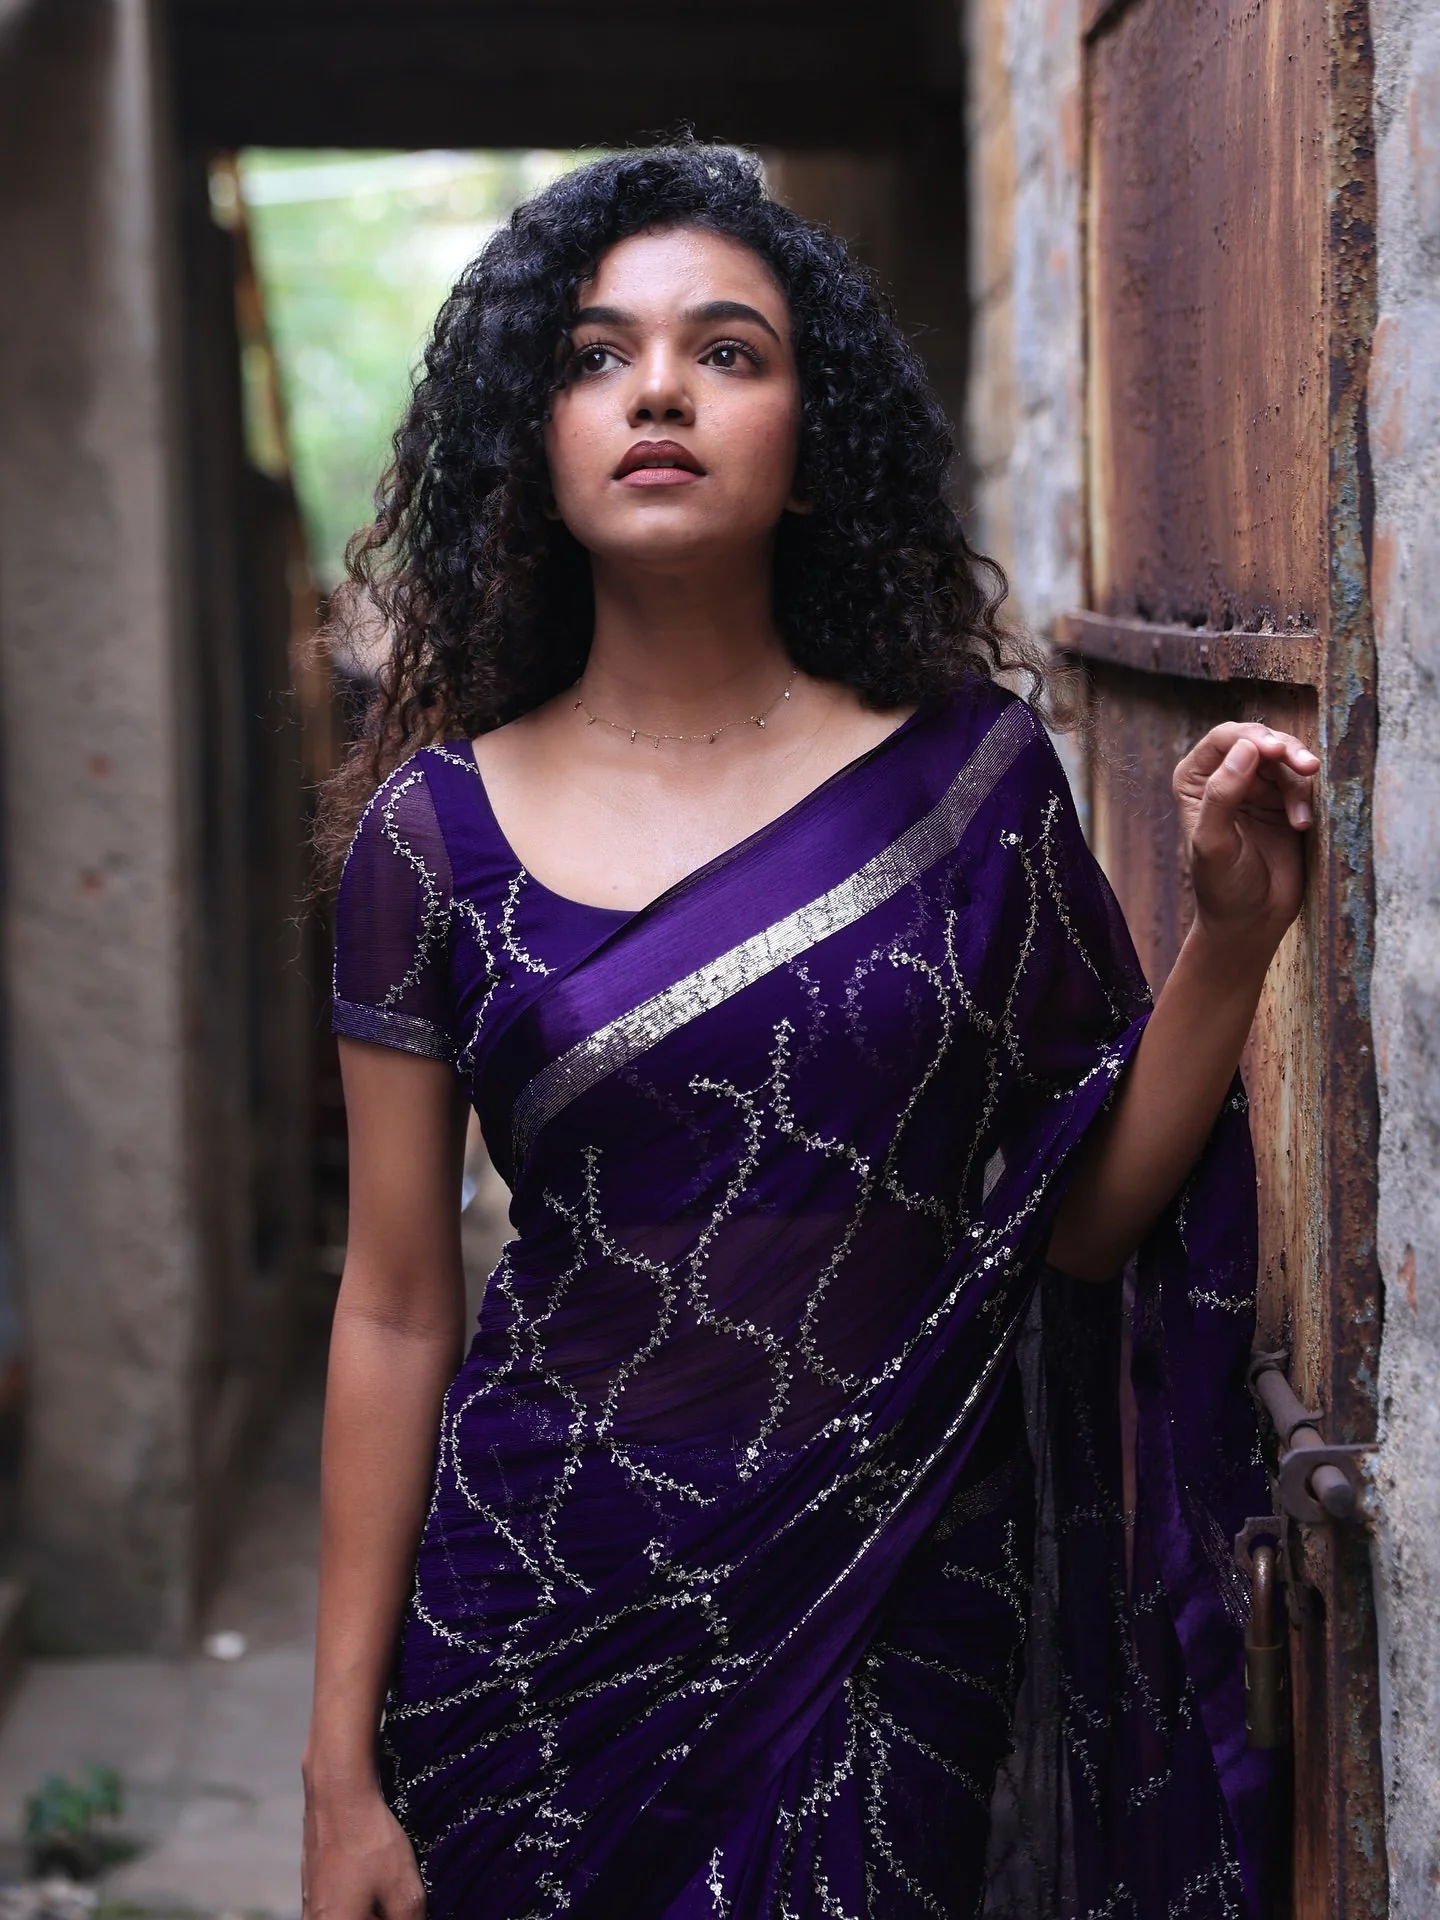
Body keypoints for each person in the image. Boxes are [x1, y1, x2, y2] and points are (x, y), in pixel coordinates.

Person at [302, 147, 1313, 1920]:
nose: (659, 392)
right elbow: (393, 1302)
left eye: (727, 351)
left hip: (890, 1607)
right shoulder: (432, 840)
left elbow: (1080, 1225)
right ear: (532, 438)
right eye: (596, 356)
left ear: (813, 432)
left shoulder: (967, 786)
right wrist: (334, 1771)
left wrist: (1234, 943)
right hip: (531, 1618)